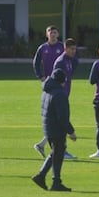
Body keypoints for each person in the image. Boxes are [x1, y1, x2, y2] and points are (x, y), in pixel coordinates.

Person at [31, 68, 77, 192]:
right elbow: (62, 117)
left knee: (56, 153)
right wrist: (71, 131)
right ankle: (55, 181)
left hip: (48, 127)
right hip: (56, 129)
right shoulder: (59, 94)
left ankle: (43, 176)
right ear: (62, 81)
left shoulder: (47, 91)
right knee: (58, 154)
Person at [31, 25, 65, 156]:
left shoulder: (62, 47)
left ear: (58, 34)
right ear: (47, 35)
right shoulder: (43, 48)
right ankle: (56, 147)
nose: (53, 35)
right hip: (48, 85)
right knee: (55, 113)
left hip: (60, 84)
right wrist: (41, 77)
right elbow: (36, 62)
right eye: (51, 33)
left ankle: (44, 144)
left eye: (55, 32)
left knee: (57, 113)